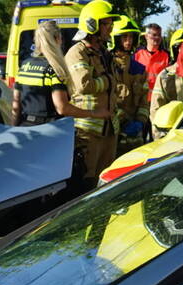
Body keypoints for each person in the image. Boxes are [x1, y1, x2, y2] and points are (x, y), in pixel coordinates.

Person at [65, 0, 121, 186]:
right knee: (85, 183)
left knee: (106, 183)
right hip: (88, 133)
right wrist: (108, 81)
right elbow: (83, 85)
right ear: (92, 25)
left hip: (109, 128)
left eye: (111, 24)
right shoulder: (77, 52)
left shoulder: (104, 52)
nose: (110, 28)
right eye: (106, 24)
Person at [12, 21, 109, 127]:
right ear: (57, 39)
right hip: (49, 130)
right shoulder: (53, 69)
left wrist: (14, 128)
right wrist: (94, 113)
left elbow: (16, 106)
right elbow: (62, 108)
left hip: (25, 127)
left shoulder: (24, 66)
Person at [110, 15, 149, 151]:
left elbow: (144, 99)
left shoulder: (139, 69)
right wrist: (124, 121)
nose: (128, 41)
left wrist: (140, 121)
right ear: (115, 39)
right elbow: (108, 99)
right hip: (114, 131)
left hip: (135, 134)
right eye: (124, 37)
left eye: (131, 37)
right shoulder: (108, 66)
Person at [134, 23, 170, 104]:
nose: (157, 38)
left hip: (160, 100)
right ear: (146, 36)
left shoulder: (166, 56)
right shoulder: (137, 55)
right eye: (154, 35)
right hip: (140, 101)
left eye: (159, 35)